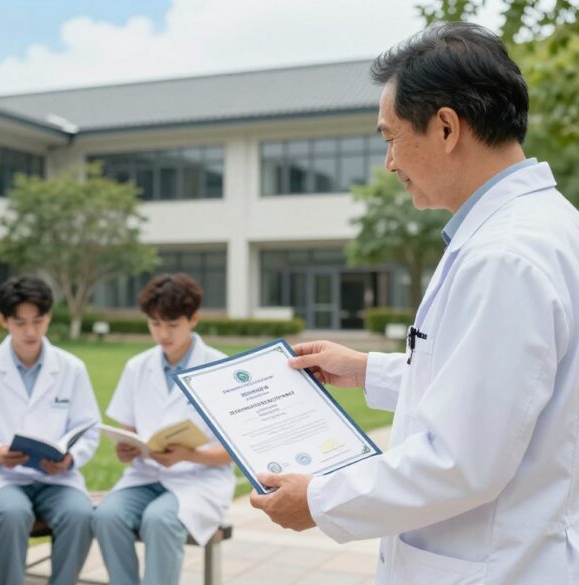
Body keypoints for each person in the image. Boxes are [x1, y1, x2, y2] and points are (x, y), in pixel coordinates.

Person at [248, 22, 579, 584]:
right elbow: (504, 389)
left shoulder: (502, 256)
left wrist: (321, 499)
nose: (390, 164)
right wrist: (367, 371)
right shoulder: (548, 227)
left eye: (390, 138)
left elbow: (461, 461)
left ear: (446, 127)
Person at [0, 275, 99, 585]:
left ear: (48, 318)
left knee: (80, 514)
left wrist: (69, 459)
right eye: (20, 322)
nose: (31, 332)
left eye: (38, 320)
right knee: (12, 513)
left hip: (57, 477)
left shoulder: (71, 368)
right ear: (3, 321)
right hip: (1, 477)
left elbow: (88, 429)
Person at [92, 273, 235, 585]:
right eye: (155, 324)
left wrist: (188, 456)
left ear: (193, 318)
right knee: (106, 516)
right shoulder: (137, 367)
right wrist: (126, 449)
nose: (163, 334)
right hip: (145, 475)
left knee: (159, 520)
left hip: (200, 480)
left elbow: (236, 452)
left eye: (172, 325)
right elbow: (127, 430)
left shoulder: (219, 368)